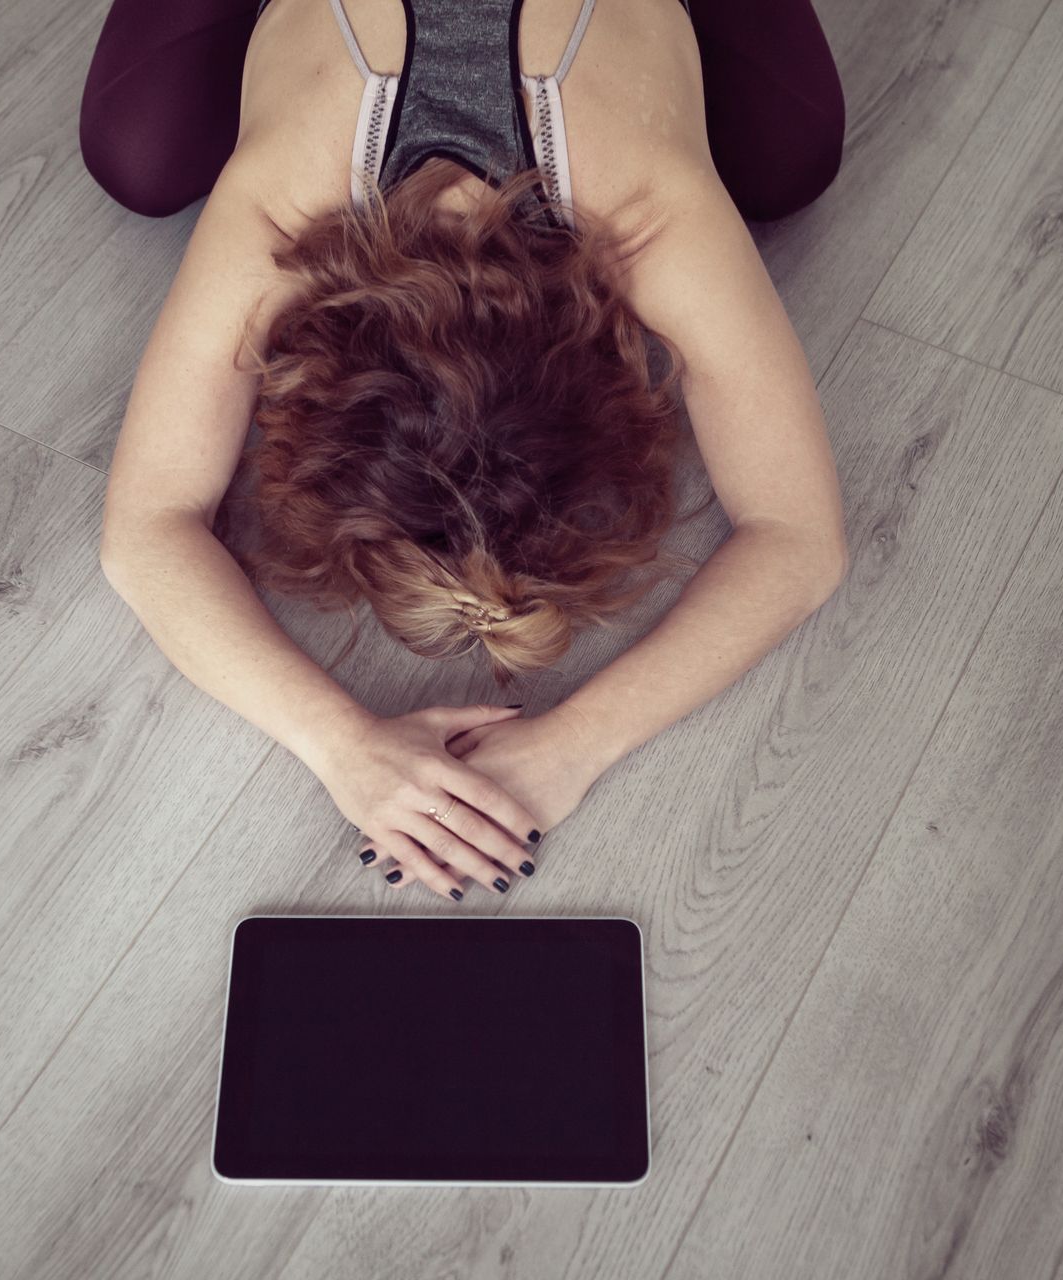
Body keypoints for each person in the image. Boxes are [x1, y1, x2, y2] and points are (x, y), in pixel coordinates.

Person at [85, 0, 849, 902]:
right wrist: (339, 743)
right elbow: (145, 528)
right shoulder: (287, 203)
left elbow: (802, 538)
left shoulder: (648, 210)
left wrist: (579, 743)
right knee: (137, 154)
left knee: (791, 164)